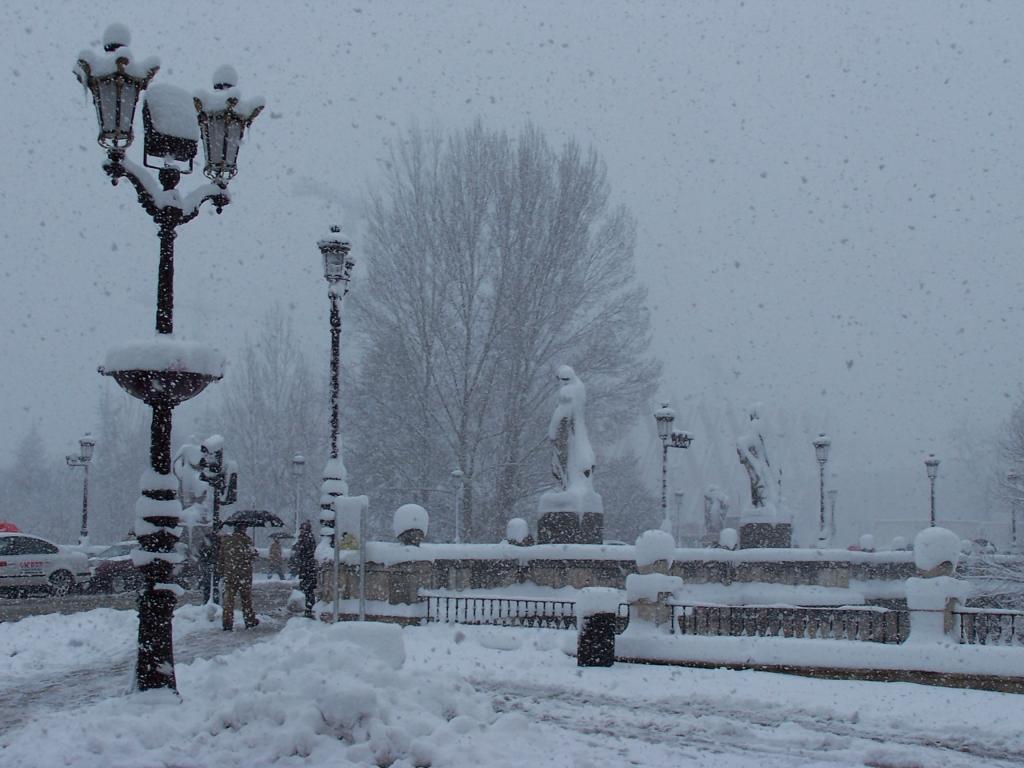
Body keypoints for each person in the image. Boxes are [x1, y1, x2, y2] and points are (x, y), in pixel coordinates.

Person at [219, 524, 259, 630]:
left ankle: (227, 622)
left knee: (229, 600)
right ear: (243, 529)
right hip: (244, 575)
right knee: (246, 599)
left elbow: (221, 558)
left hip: (230, 574)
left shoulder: (226, 541)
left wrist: (223, 570)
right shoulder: (247, 540)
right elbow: (251, 556)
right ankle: (249, 620)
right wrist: (254, 554)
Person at [289, 521, 317, 618]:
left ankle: (309, 608)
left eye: (302, 529)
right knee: (308, 590)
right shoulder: (307, 539)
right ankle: (309, 608)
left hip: (307, 569)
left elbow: (304, 552)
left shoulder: (307, 539)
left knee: (308, 590)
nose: (300, 531)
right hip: (307, 569)